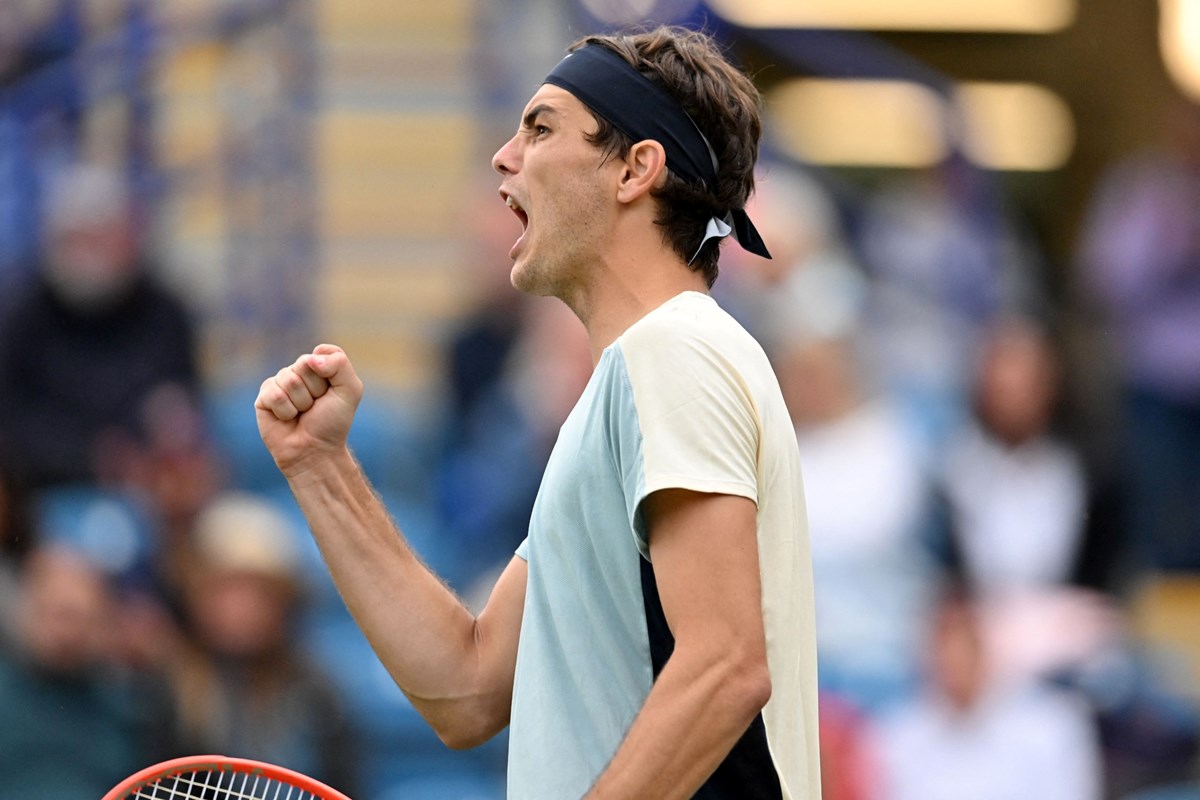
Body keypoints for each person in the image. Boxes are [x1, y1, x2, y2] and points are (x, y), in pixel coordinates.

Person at [254, 25, 820, 800]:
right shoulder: (624, 385)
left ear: (634, 169)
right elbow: (468, 686)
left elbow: (724, 667)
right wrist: (320, 466)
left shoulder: (673, 351)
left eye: (541, 127)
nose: (503, 156)